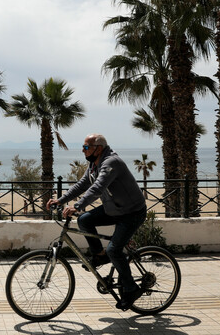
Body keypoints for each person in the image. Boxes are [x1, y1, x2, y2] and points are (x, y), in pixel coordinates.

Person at [47, 133, 147, 310]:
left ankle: (131, 289)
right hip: (114, 209)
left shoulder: (111, 162)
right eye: (83, 147)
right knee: (84, 220)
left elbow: (98, 187)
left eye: (86, 147)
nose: (82, 150)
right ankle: (100, 256)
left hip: (132, 212)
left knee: (114, 250)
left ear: (98, 148)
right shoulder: (94, 164)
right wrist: (61, 200)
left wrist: (76, 206)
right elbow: (82, 184)